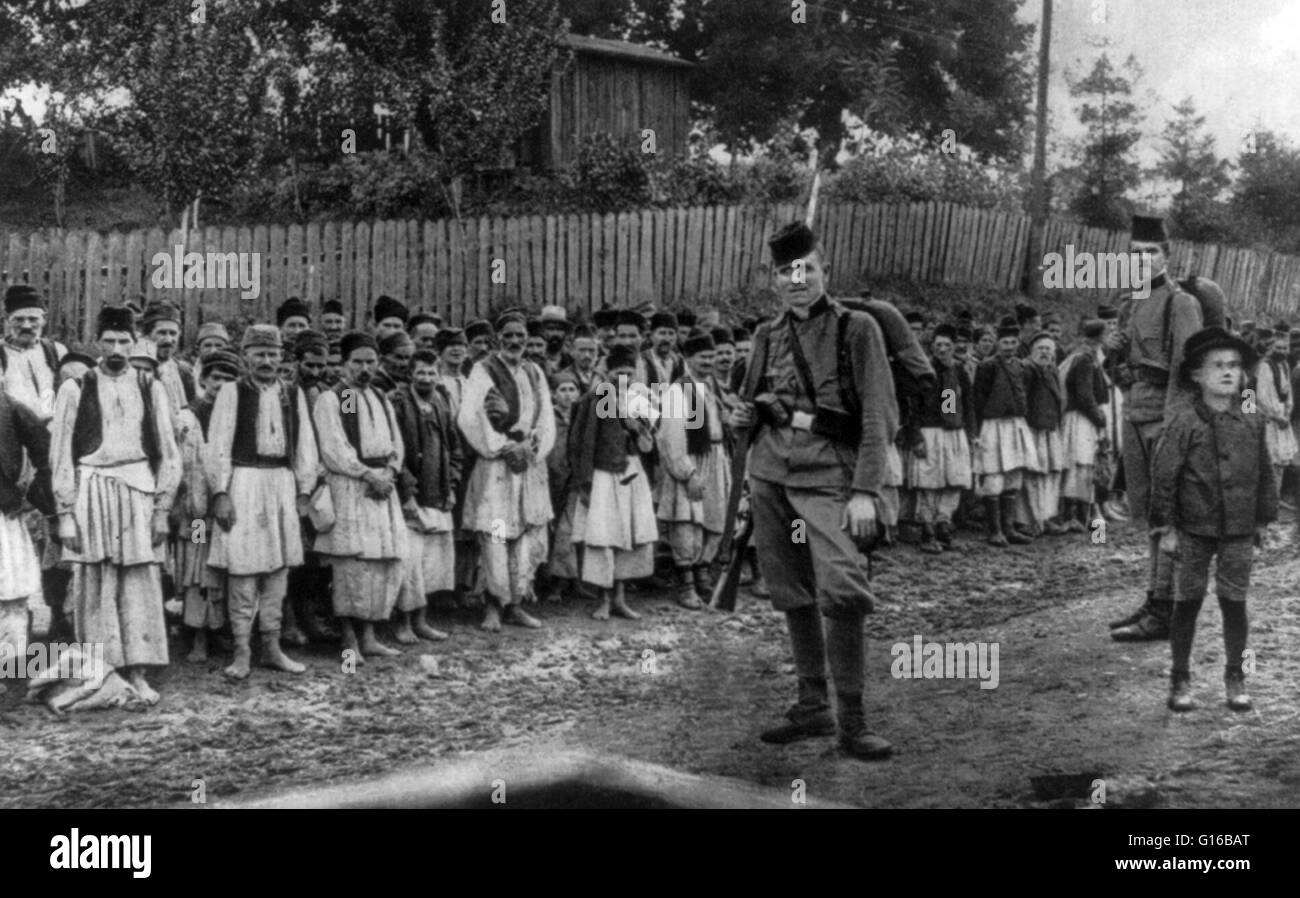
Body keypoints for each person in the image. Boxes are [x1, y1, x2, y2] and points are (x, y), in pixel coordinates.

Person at [733, 222, 898, 761]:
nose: (796, 280)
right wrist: (742, 413)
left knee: (843, 590)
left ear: (824, 270)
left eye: (806, 270)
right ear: (774, 279)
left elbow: (879, 415)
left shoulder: (858, 329)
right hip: (771, 475)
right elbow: (751, 408)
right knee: (790, 591)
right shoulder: (764, 335)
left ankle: (852, 720)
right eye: (785, 272)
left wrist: (866, 491)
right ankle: (812, 707)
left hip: (832, 478)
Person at [50, 305, 182, 704]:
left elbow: (169, 452)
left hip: (138, 489)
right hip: (92, 489)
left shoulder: (151, 387)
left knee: (139, 582)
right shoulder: (76, 388)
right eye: (109, 341)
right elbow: (60, 456)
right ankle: (104, 671)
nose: (117, 349)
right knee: (97, 581)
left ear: (135, 342)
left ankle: (139, 672)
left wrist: (162, 508)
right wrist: (66, 514)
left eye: (125, 341)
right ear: (96, 343)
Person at [1149, 327, 1275, 712]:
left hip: (1238, 529)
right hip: (1193, 529)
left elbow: (1263, 471)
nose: (1227, 373)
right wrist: (1166, 528)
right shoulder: (1184, 421)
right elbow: (1164, 476)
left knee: (1234, 602)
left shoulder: (1251, 419)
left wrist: (1261, 520)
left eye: (1234, 366)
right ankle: (1180, 678)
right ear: (1196, 375)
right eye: (1217, 366)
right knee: (1187, 602)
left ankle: (1236, 676)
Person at [1110, 214, 1204, 642]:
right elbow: (1122, 373)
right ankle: (1154, 599)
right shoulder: (1130, 302)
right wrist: (1113, 355)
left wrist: (1174, 426)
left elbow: (1186, 369)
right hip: (1134, 415)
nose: (1143, 261)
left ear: (1167, 256)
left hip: (1163, 421)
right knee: (1150, 517)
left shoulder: (1179, 303)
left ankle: (1166, 608)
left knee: (1170, 518)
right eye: (1136, 254)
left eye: (1151, 253)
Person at [206, 325, 319, 679]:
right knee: (243, 568)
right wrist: (220, 492)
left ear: (281, 357)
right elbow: (218, 444)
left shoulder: (293, 393)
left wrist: (303, 491)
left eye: (272, 354)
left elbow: (305, 446)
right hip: (244, 483)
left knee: (278, 568)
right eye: (259, 354)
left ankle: (271, 646)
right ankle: (242, 650)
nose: (266, 361)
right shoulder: (231, 392)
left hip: (281, 485)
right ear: (246, 357)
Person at [457, 312, 555, 631]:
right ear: (498, 338)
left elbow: (546, 418)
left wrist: (531, 446)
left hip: (526, 464)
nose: (515, 342)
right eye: (508, 336)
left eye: (520, 336)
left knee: (524, 535)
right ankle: (493, 605)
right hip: (497, 467)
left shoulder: (534, 371)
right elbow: (472, 417)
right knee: (496, 534)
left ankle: (516, 602)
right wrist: (503, 447)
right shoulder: (483, 370)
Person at [314, 332, 408, 659]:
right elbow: (335, 447)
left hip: (383, 486)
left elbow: (397, 442)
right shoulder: (336, 398)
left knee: (380, 561)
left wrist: (391, 472)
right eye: (357, 362)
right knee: (352, 563)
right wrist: (367, 474)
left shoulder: (380, 397)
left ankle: (370, 634)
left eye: (370, 362)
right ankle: (349, 637)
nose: (364, 369)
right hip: (353, 486)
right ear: (344, 364)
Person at [568, 345, 659, 620]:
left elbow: (648, 443)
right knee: (603, 538)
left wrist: (638, 427)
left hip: (630, 471)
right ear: (607, 372)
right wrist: (584, 480)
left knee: (628, 536)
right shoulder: (595, 398)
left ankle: (620, 597)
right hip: (603, 475)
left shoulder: (639, 399)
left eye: (629, 374)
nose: (624, 379)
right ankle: (603, 599)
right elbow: (580, 442)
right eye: (619, 373)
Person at [653, 331, 732, 610]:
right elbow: (670, 436)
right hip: (692, 459)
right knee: (687, 521)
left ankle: (703, 575)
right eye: (703, 357)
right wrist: (687, 472)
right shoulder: (680, 390)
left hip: (715, 457)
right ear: (688, 359)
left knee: (714, 518)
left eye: (712, 356)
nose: (709, 362)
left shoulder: (712, 388)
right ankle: (685, 584)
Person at [390, 350, 462, 643]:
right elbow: (394, 450)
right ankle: (402, 622)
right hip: (411, 494)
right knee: (409, 563)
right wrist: (406, 493)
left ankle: (422, 620)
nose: (426, 378)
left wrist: (452, 486)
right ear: (410, 375)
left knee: (432, 563)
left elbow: (454, 447)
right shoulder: (397, 402)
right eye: (420, 372)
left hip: (438, 492)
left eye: (432, 373)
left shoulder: (442, 401)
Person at [174, 348, 241, 662]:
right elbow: (187, 465)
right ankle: (197, 636)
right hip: (198, 512)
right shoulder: (190, 415)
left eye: (229, 379)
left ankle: (220, 631)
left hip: (227, 506)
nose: (221, 385)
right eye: (216, 378)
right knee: (199, 570)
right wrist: (194, 504)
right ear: (203, 379)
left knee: (223, 571)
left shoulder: (236, 414)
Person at [0, 381, 54, 693]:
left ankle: (12, 668)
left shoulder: (10, 407)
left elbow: (44, 448)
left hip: (3, 512)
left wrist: (36, 493)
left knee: (10, 591)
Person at [908, 324, 975, 553]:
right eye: (939, 345)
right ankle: (927, 529)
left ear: (954, 347)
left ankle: (944, 525)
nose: (943, 349)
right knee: (930, 481)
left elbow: (968, 405)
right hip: (931, 432)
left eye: (947, 345)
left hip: (954, 432)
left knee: (954, 479)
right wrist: (915, 435)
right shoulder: (923, 370)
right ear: (932, 347)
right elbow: (913, 407)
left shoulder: (959, 372)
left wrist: (970, 434)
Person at [971, 320, 1037, 547]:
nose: (1009, 346)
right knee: (994, 475)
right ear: (998, 343)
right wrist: (977, 430)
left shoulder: (1023, 367)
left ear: (1018, 343)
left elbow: (1025, 393)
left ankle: (1009, 528)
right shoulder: (987, 366)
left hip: (1016, 424)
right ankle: (994, 530)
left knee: (1014, 475)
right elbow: (978, 399)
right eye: (1005, 342)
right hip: (993, 425)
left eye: (1013, 342)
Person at [1059, 319, 1110, 533]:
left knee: (1086, 465)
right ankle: (1073, 515)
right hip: (1081, 418)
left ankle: (1084, 514)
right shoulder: (1084, 360)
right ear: (1099, 337)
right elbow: (1084, 395)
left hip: (1084, 417)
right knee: (1079, 463)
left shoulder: (1087, 357)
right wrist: (1100, 418)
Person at [1021, 332, 1067, 537]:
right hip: (1032, 428)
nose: (1044, 353)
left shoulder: (1052, 371)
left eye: (1048, 349)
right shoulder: (1027, 370)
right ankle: (1029, 521)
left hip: (1050, 428)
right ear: (1032, 352)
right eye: (1040, 348)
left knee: (1050, 474)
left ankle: (1047, 517)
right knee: (1032, 475)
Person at [542, 370, 582, 604]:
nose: (568, 396)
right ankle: (547, 580)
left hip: (573, 480)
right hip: (551, 480)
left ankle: (564, 581)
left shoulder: (581, 417)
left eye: (572, 390)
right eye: (562, 390)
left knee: (568, 532)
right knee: (551, 529)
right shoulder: (548, 418)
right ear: (553, 394)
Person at [1, 284, 67, 420]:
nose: (26, 326)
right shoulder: (2, 354)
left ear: (43, 320)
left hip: (52, 428)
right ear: (7, 321)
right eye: (19, 319)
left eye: (33, 319)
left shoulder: (56, 351)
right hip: (13, 433)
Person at [1255, 326, 1296, 495]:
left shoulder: (1285, 365)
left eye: (1284, 348)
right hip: (1263, 414)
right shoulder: (1263, 366)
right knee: (1267, 460)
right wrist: (1274, 415)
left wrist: (1287, 410)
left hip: (1281, 415)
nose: (1281, 351)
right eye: (1277, 348)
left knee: (1281, 462)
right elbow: (1257, 396)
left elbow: (1287, 393)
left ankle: (1276, 498)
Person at [139, 300, 195, 415]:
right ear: (147, 335)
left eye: (173, 333)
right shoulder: (137, 369)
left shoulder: (184, 371)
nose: (168, 340)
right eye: (162, 333)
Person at [645, 312, 685, 386]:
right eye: (662, 333)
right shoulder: (642, 360)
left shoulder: (680, 362)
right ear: (651, 336)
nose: (667, 339)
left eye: (671, 333)